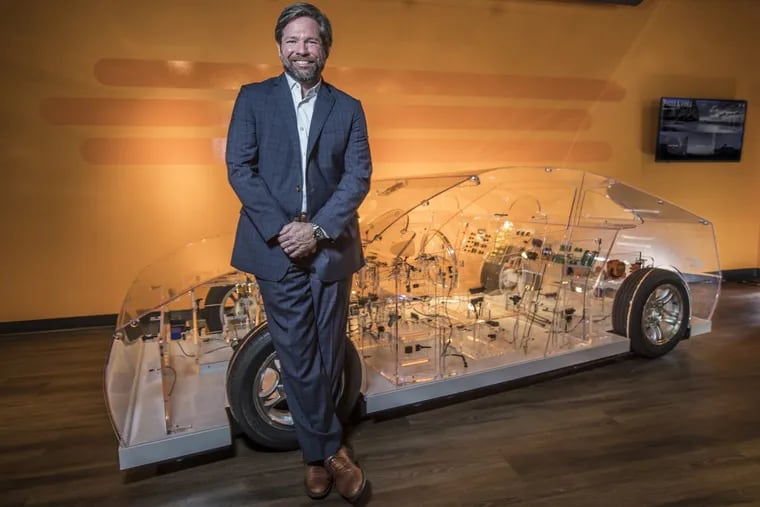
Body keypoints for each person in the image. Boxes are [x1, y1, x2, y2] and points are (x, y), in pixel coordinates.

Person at [225, 2, 372, 503]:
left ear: (325, 47)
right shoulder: (253, 99)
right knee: (296, 352)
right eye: (292, 41)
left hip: (331, 246)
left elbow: (358, 176)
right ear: (279, 47)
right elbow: (240, 168)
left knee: (328, 352)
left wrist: (320, 229)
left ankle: (316, 453)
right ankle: (330, 454)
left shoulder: (348, 107)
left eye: (311, 40)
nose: (301, 49)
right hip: (276, 246)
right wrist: (284, 229)